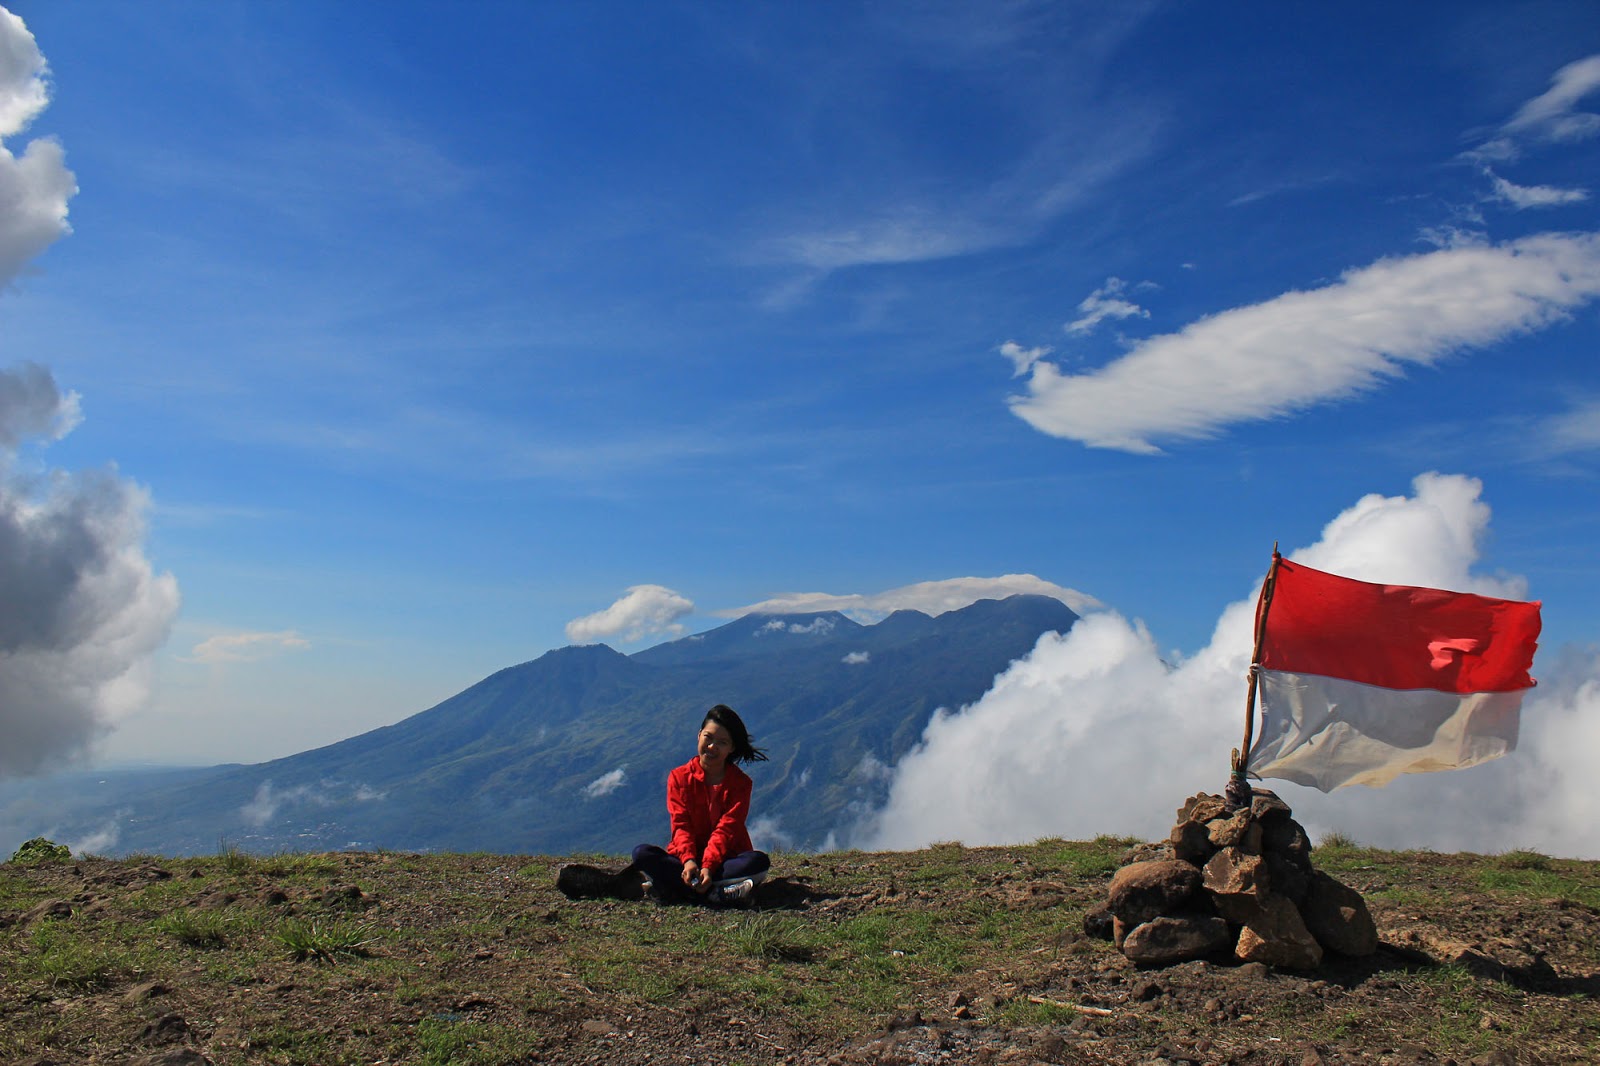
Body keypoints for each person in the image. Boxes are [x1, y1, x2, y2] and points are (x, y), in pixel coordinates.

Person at [555, 704, 770, 906]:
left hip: (724, 859)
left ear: (732, 748)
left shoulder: (741, 784)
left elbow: (727, 830)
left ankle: (680, 889)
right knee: (642, 854)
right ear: (699, 735)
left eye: (722, 742)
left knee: (758, 862)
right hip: (685, 861)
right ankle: (715, 893)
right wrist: (689, 861)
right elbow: (681, 825)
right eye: (708, 737)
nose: (712, 746)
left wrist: (708, 866)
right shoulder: (680, 777)